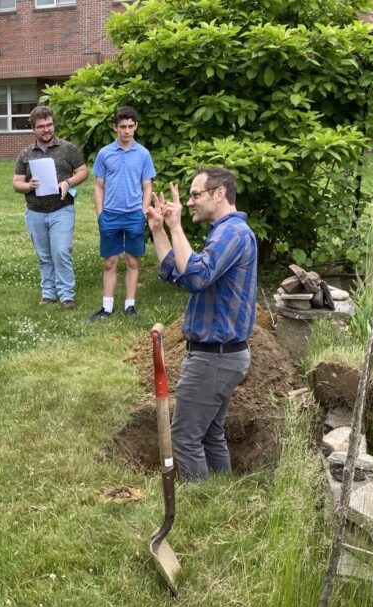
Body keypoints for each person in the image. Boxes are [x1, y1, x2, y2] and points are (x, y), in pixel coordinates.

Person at [146, 167, 257, 481]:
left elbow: (196, 276)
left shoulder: (231, 233)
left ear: (219, 193)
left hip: (214, 358)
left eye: (196, 194)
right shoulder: (224, 233)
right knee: (209, 433)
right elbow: (180, 272)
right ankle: (220, 496)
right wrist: (159, 230)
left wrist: (177, 227)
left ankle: (200, 504)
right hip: (221, 356)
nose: (191, 201)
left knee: (184, 436)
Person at [12, 105, 89, 309]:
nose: (46, 130)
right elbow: (16, 183)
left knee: (61, 251)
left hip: (62, 209)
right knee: (44, 255)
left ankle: (66, 295)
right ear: (33, 129)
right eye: (41, 127)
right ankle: (48, 294)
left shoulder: (67, 148)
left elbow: (83, 171)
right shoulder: (25, 154)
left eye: (49, 125)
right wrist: (28, 186)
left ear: (54, 124)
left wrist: (68, 183)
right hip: (35, 211)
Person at [89, 106, 155, 321]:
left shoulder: (143, 154)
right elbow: (99, 186)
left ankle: (130, 306)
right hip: (110, 215)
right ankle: (106, 307)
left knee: (133, 262)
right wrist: (100, 214)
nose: (126, 131)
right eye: (122, 127)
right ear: (114, 127)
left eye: (130, 126)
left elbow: (147, 186)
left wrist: (143, 212)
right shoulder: (105, 153)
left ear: (135, 126)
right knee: (110, 262)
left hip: (134, 215)